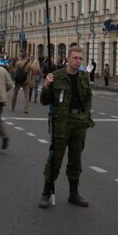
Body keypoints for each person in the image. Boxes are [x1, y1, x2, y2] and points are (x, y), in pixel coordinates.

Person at [38, 45, 93, 209]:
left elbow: (88, 98)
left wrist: (85, 116)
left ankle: (73, 193)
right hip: (61, 123)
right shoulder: (56, 76)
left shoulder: (83, 77)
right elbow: (45, 101)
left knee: (76, 159)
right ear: (68, 59)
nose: (78, 61)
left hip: (79, 123)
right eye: (75, 58)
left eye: (80, 58)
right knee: (55, 159)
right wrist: (47, 85)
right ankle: (46, 193)